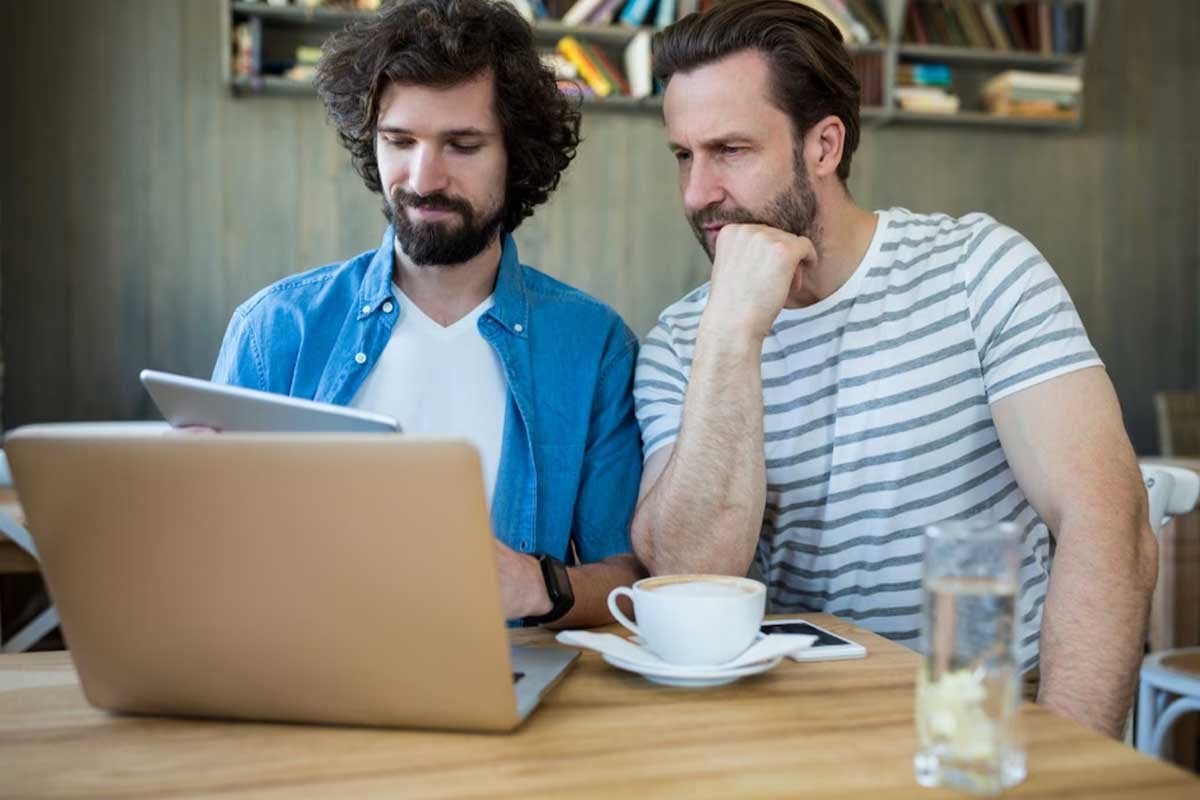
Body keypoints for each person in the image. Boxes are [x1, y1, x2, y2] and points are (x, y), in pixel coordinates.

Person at [631, 0, 1155, 737]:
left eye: (731, 151)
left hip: (984, 711)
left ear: (824, 145)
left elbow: (1109, 525)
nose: (696, 193)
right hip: (782, 724)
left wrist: (1070, 763)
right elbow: (687, 578)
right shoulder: (686, 339)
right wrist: (731, 334)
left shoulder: (979, 271)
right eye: (684, 155)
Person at [212, 0, 644, 628]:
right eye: (399, 141)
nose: (423, 177)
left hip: (504, 680)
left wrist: (537, 586)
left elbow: (629, 579)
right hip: (304, 674)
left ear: (516, 156)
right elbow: (216, 567)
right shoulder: (274, 329)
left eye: (462, 145)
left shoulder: (592, 344)